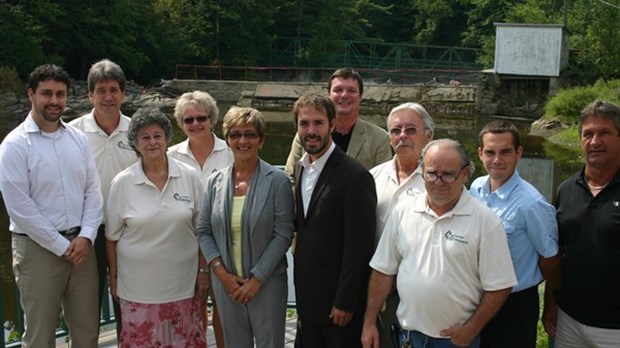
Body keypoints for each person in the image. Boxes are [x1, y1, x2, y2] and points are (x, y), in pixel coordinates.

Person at [362, 139, 517, 348]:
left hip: (454, 341)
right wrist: (369, 321)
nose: (438, 181)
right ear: (422, 171)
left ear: (464, 174)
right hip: (408, 338)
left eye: (448, 174)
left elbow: (500, 285)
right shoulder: (403, 211)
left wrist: (471, 329)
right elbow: (383, 269)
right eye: (432, 173)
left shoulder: (485, 222)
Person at [0, 64, 103, 347]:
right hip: (38, 250)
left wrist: (86, 236)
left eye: (61, 94)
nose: (54, 101)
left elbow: (93, 193)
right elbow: (20, 207)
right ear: (31, 94)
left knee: (86, 333)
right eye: (47, 93)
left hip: (82, 248)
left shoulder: (78, 140)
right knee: (39, 336)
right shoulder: (15, 145)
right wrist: (61, 246)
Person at [105, 107, 207, 347]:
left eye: (157, 135)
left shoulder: (189, 176)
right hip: (137, 289)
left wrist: (203, 272)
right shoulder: (123, 182)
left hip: (183, 285)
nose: (152, 142)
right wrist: (114, 277)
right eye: (145, 137)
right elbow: (111, 237)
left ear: (167, 138)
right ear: (135, 144)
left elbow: (202, 230)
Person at [197, 106, 294, 347]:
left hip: (267, 284)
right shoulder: (214, 182)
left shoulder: (277, 181)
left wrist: (256, 280)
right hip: (226, 283)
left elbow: (282, 234)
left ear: (261, 140)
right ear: (227, 140)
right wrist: (221, 274)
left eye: (250, 134)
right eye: (235, 134)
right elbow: (204, 230)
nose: (243, 140)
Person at [292, 94, 377, 348]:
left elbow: (359, 246)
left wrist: (345, 301)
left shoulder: (355, 176)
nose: (311, 131)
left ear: (332, 124)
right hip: (307, 299)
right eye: (304, 124)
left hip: (337, 306)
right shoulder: (300, 168)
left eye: (318, 123)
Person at [469, 120, 559, 348]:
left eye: (505, 152)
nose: (497, 160)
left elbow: (551, 259)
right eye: (490, 152)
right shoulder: (476, 188)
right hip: (476, 297)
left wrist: (550, 305)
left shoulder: (531, 203)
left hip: (514, 304)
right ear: (480, 153)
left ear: (519, 153)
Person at [69, 59, 137, 336]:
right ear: (90, 95)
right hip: (88, 231)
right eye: (101, 90)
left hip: (130, 231)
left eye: (113, 90)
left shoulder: (138, 132)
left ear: (123, 93)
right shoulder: (72, 133)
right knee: (86, 306)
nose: (108, 97)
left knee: (129, 303)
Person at [544, 100, 620, 348]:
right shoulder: (566, 189)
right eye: (588, 134)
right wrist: (551, 306)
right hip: (569, 322)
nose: (595, 142)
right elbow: (558, 255)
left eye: (605, 133)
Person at [168, 90, 232, 347]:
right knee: (187, 310)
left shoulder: (230, 151)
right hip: (182, 245)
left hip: (224, 244)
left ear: (212, 119)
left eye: (201, 118)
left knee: (223, 310)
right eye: (188, 120)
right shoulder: (170, 155)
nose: (195, 124)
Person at [369, 102, 434, 348]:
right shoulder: (373, 177)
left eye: (410, 129)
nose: (402, 136)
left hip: (419, 293)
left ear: (429, 135)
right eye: (396, 130)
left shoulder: (439, 181)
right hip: (377, 288)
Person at [284, 67, 391, 180]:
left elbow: (382, 183)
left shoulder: (379, 138)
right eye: (338, 90)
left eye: (351, 90)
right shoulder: (308, 135)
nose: (344, 95)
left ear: (360, 97)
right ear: (328, 95)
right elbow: (290, 177)